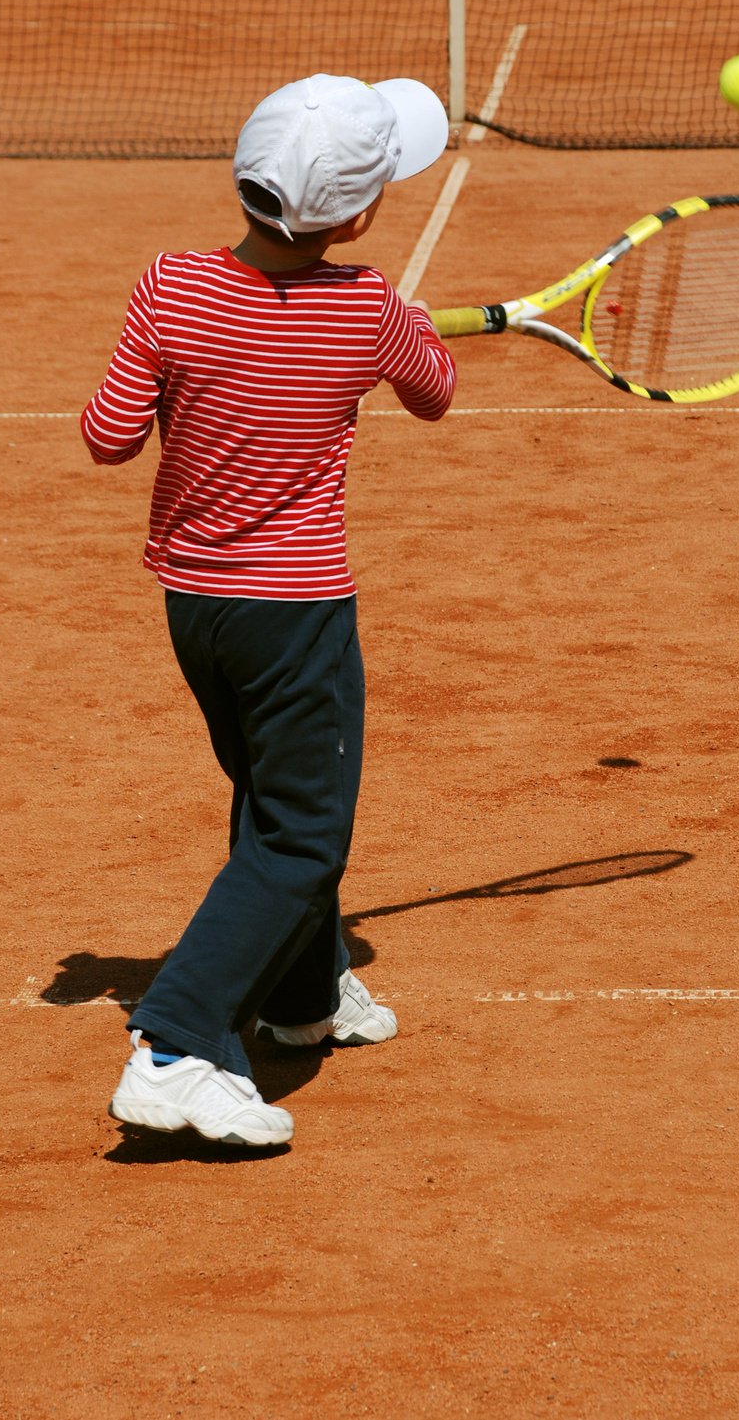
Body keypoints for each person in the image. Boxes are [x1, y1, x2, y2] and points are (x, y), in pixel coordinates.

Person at [81, 74, 456, 1146]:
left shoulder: (168, 286)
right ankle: (176, 1041)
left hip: (192, 608)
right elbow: (434, 389)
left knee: (269, 792)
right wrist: (404, 329)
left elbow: (108, 435)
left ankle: (303, 996)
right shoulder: (368, 305)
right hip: (295, 615)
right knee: (300, 830)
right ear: (358, 213)